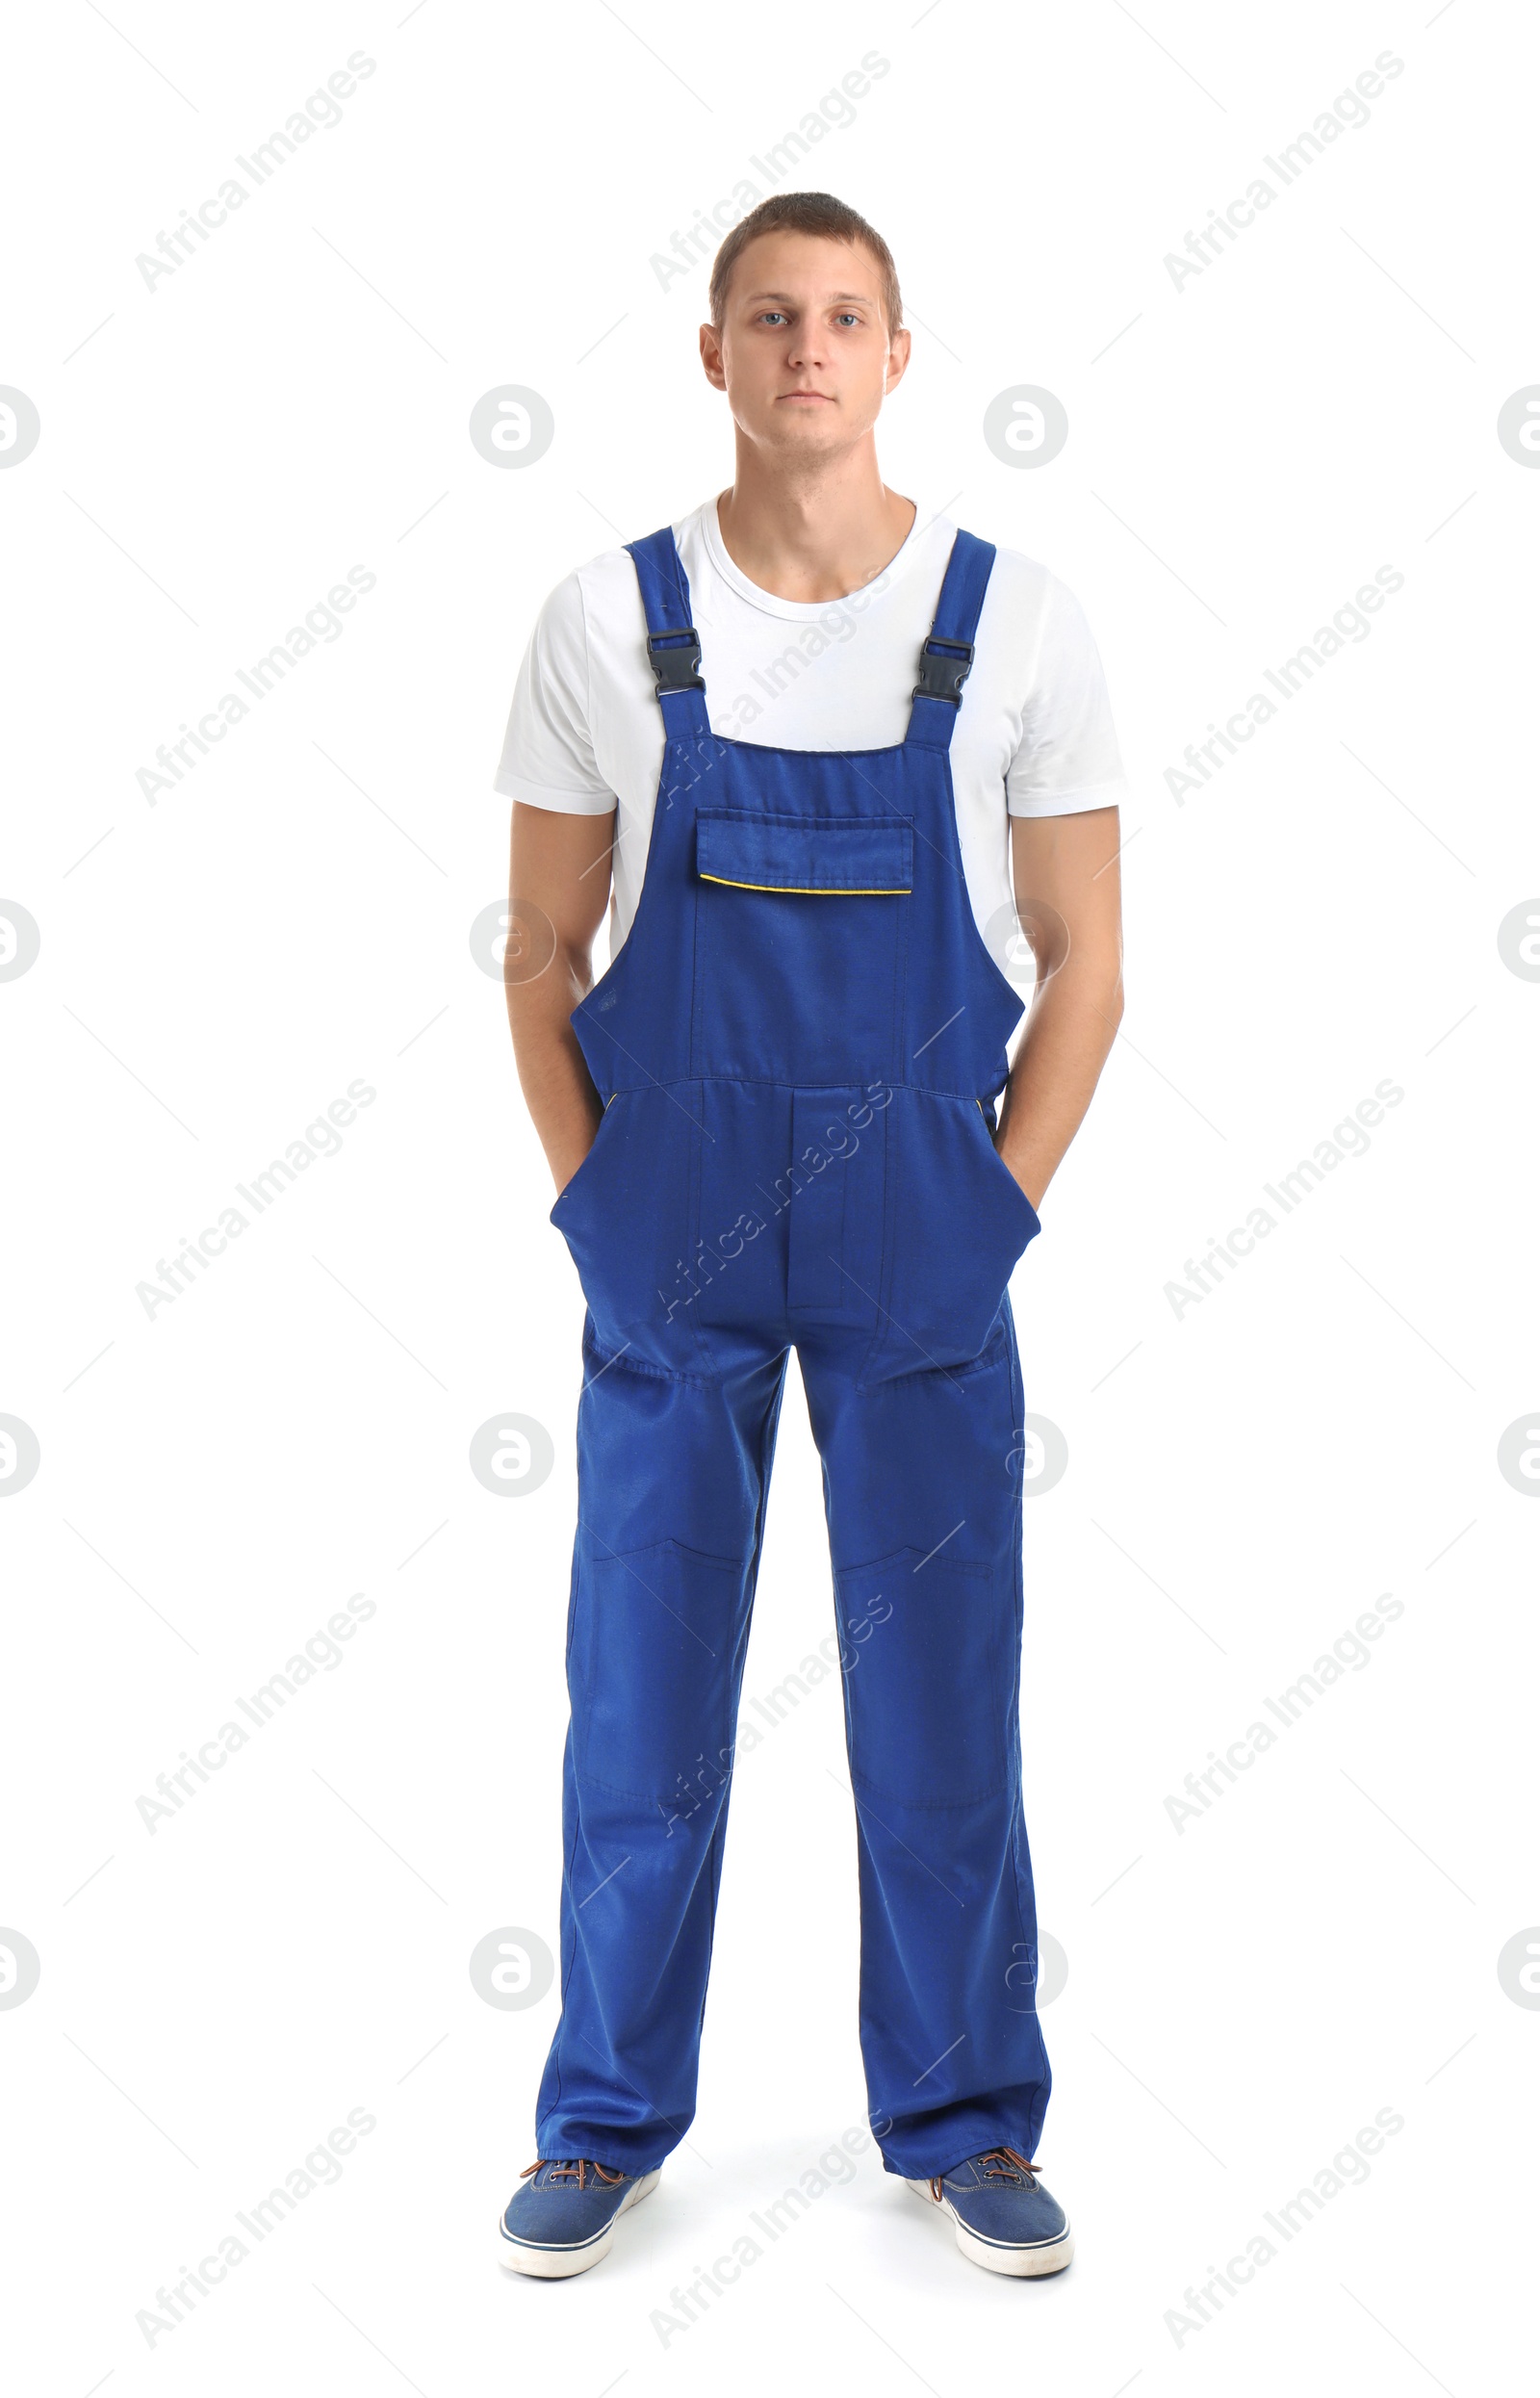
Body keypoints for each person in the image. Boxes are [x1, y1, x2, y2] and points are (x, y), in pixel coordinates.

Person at [494, 191, 1126, 2281]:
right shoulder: (605, 616)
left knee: (942, 1694)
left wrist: (986, 1217)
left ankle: (960, 2120)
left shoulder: (1009, 618)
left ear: (894, 350)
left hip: (918, 1241)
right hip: (668, 1231)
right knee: (638, 1692)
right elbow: (539, 949)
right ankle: (600, 2119)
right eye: (769, 316)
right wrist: (597, 1207)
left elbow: (1085, 964)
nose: (805, 351)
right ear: (711, 353)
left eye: (843, 316)